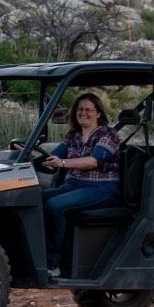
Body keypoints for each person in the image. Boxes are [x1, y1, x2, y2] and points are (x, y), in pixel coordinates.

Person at [41, 91, 122, 275]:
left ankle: (52, 264)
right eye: (80, 109)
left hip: (102, 188)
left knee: (55, 205)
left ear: (98, 113)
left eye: (88, 110)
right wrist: (23, 149)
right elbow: (52, 155)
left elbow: (93, 161)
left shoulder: (108, 135)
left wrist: (62, 163)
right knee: (35, 198)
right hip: (74, 185)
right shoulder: (73, 136)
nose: (83, 113)